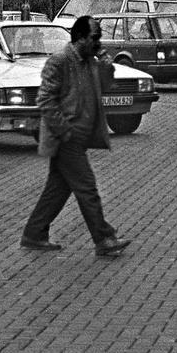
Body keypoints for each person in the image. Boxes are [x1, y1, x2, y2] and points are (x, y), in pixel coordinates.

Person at [20, 15, 131, 257]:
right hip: (67, 138)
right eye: (95, 38)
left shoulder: (91, 61)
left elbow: (107, 85)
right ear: (80, 38)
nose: (99, 42)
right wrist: (63, 130)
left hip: (79, 137)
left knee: (58, 189)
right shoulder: (60, 61)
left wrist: (106, 64)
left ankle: (34, 233)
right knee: (87, 188)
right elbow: (45, 99)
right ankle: (103, 238)